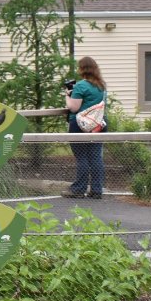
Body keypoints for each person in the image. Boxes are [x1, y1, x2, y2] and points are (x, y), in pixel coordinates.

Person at [65, 55, 107, 199]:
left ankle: (78, 189)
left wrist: (67, 96)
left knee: (81, 157)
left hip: (80, 125)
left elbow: (73, 107)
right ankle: (96, 190)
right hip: (98, 124)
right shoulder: (101, 86)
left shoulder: (81, 86)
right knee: (95, 156)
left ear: (82, 69)